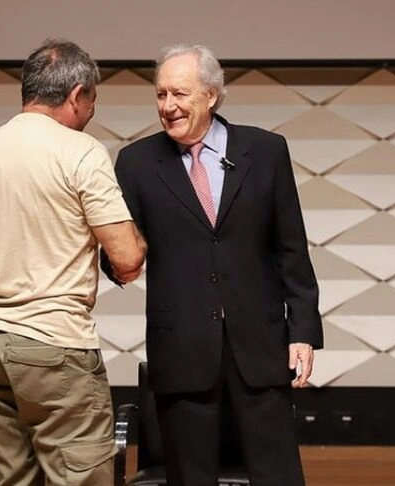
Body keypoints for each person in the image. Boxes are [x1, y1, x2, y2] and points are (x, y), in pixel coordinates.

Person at [101, 44, 323, 485]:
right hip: (181, 349)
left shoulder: (266, 150)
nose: (168, 106)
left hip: (259, 345)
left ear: (212, 94)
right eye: (161, 95)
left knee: (278, 475)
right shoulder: (136, 162)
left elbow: (291, 248)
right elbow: (121, 256)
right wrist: (116, 261)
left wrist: (302, 331)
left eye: (179, 94)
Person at [0, 39, 147, 485]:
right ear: (76, 94)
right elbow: (126, 258)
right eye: (92, 101)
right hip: (54, 343)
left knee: (10, 479)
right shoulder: (80, 152)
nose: (91, 112)